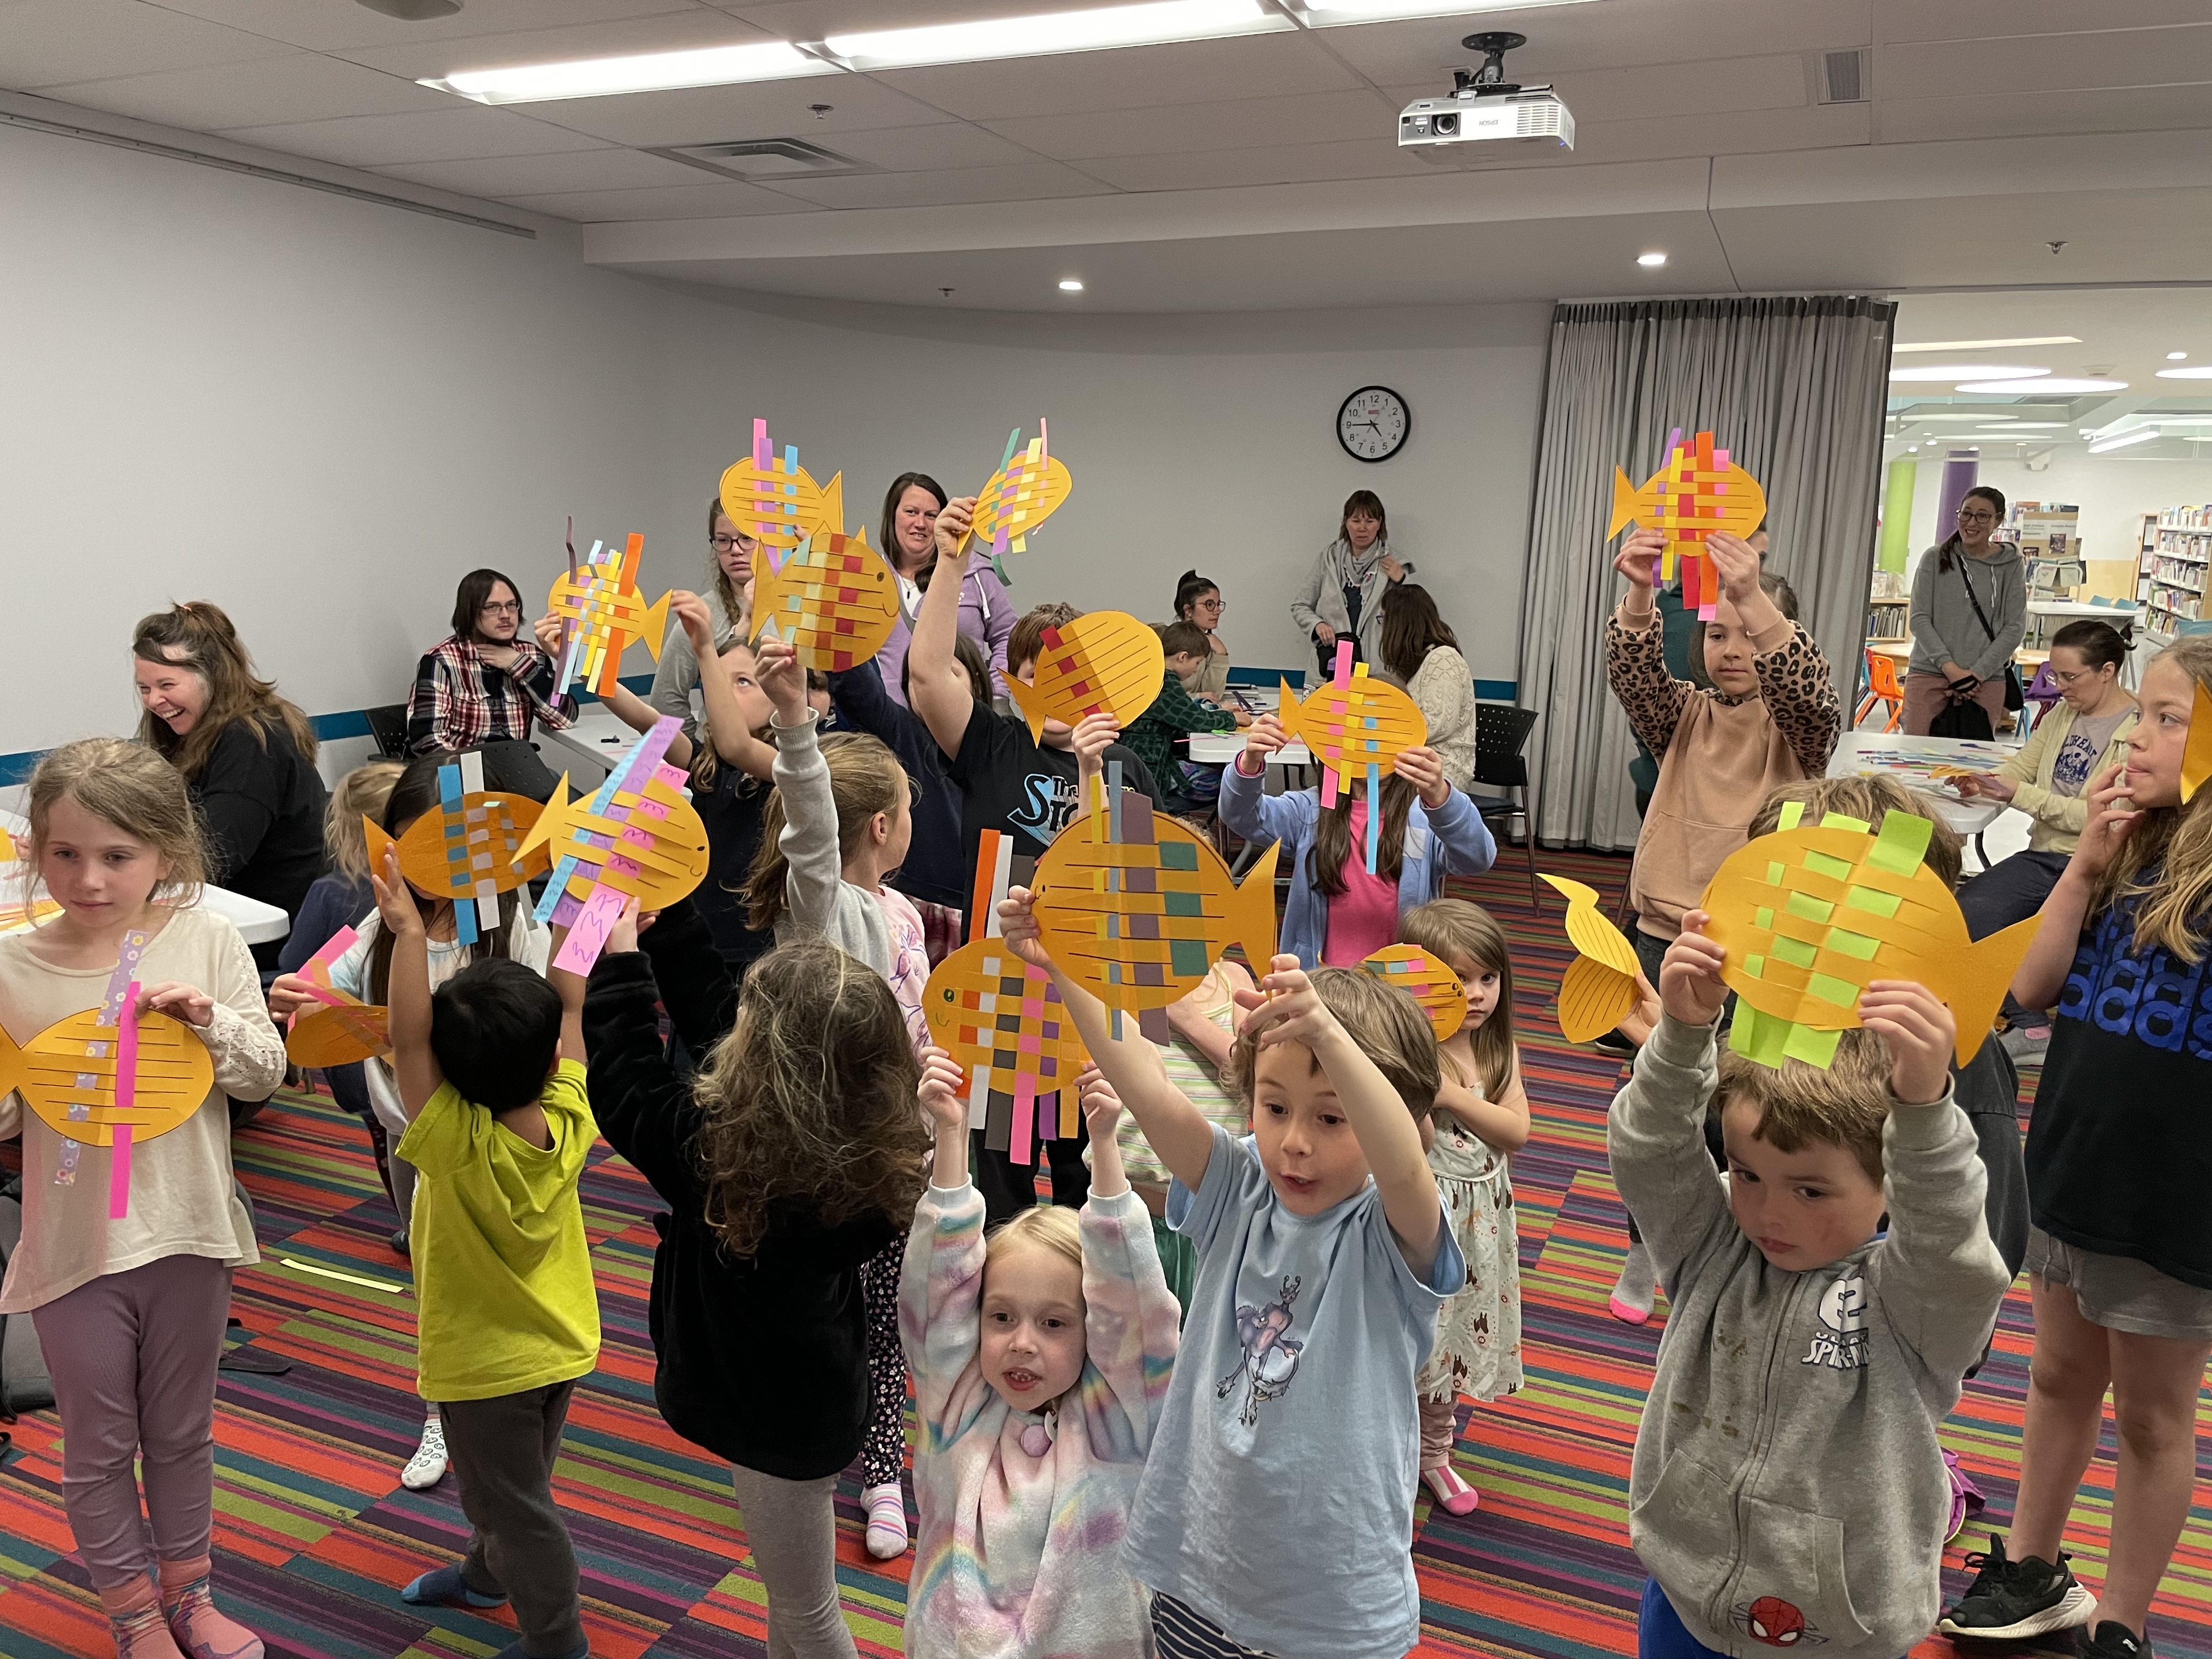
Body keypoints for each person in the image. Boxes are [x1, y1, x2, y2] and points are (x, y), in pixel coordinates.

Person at [1004, 871, 1461, 1659]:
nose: (1294, 1142)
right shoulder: (1240, 1187)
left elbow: (1407, 1165)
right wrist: (1065, 969)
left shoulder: (1392, 1231)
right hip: (1200, 1572)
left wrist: (1330, 1038)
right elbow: (1144, 1083)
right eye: (1274, 1106)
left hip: (1332, 1602)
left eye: (1331, 1118)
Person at [1611, 910, 2010, 1659]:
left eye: (1811, 1192)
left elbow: (1954, 1249)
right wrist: (1682, 1037)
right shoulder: (1714, 1248)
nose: (1767, 1212)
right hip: (1688, 1592)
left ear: (1892, 1184)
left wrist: (1923, 1117)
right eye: (1749, 1174)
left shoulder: (1914, 1301)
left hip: (1841, 1624)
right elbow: (1649, 1150)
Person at [1940, 638, 2212, 1659]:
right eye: (2141, 713)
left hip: (2176, 1193)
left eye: (2166, 717)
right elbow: (2036, 987)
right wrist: (2087, 862)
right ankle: (2032, 1567)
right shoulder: (2126, 843)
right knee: (2057, 1377)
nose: (2135, 735)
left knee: (2153, 1417)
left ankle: (2124, 1622)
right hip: (2074, 1159)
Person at [0, 738, 285, 1659]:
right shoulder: (11, 964)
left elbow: (264, 1076)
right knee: (96, 1440)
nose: (88, 879)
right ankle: (131, 1611)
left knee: (181, 1430)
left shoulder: (203, 939)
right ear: (35, 850)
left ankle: (188, 1592)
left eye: (118, 855)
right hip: (76, 1240)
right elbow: (8, 1110)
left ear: (168, 852)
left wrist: (211, 1021)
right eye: (66, 853)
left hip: (189, 1228)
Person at [582, 907, 925, 1659]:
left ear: (764, 1061)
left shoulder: (718, 1157)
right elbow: (712, 1017)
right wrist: (669, 920)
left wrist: (619, 963)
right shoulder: (871, 1148)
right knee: (788, 1593)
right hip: (815, 1398)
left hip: (769, 1420)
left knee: (807, 1610)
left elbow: (624, 1077)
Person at [269, 753, 552, 1492]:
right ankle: (441, 1410)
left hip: (493, 1147)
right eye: (406, 845)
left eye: (441, 848)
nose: (421, 868)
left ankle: (517, 1397)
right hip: (411, 1144)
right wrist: (302, 997)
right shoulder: (382, 921)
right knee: (435, 1283)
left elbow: (540, 1034)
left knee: (504, 1278)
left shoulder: (513, 923)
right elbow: (327, 978)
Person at [361, 844, 596, 1659]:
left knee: (517, 1507)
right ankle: (486, 1575)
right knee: (506, 1489)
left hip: (486, 1367)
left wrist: (405, 935)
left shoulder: (450, 1142)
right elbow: (570, 1009)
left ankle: (556, 1638)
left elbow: (405, 1035)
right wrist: (592, 910)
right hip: (560, 1345)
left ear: (455, 1075)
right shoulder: (568, 1111)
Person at [742, 639, 926, 1560]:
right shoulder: (822, 910)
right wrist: (796, 726)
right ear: (882, 825)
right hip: (823, 1152)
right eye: (905, 809)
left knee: (889, 1318)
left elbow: (922, 1025)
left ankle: (885, 1471)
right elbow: (811, 835)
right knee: (829, 1314)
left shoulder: (899, 912)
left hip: (898, 1152)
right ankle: (813, 1456)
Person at [901, 1058, 1180, 1658]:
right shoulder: (959, 1412)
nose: (1022, 1342)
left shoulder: (1116, 1427)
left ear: (1093, 1333)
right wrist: (951, 1135)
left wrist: (1104, 1146)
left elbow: (1131, 1306)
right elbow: (936, 1294)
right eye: (1001, 1318)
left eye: (1054, 1323)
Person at [561, 595, 778, 978]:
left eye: (742, 683)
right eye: (716, 682)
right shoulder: (710, 764)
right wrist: (586, 665)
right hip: (709, 933)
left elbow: (739, 746)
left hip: (762, 944)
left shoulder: (784, 769)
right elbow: (648, 721)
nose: (722, 696)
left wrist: (709, 647)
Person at [1951, 618, 2139, 1058]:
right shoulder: (2063, 714)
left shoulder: (2137, 732)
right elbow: (2025, 766)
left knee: (1986, 920)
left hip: (2090, 862)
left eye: (2070, 677)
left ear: (2108, 671)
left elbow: (2101, 819)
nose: (2059, 687)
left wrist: (2019, 794)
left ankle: (2029, 1025)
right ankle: (2027, 1022)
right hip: (2046, 855)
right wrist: (1987, 780)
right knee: (1966, 915)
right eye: (2054, 676)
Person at [1397, 899, 1527, 1519]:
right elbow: (1412, 1140)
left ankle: (1435, 1454)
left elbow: (1517, 1130)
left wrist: (1452, 1094)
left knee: (1454, 1344)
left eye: (1487, 978)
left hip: (1485, 1223)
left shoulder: (1496, 1051)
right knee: (1415, 1339)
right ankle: (1391, 1460)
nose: (1474, 995)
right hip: (1431, 1216)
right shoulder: (1413, 1052)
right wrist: (1425, 1089)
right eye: (1456, 980)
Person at [133, 602, 330, 971]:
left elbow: (208, 858)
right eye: (144, 687)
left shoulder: (251, 743)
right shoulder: (187, 730)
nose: (154, 701)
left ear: (213, 676)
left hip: (263, 941)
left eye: (166, 685)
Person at [1221, 712, 1494, 969]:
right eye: (1358, 734)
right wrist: (1249, 763)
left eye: (1381, 734)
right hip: (1320, 979)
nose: (1370, 747)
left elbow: (1476, 858)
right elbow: (1242, 816)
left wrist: (1442, 798)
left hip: (1399, 983)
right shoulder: (1309, 811)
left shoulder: (1423, 817)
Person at [1086, 950, 1255, 1315]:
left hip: (1210, 1218)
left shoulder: (1234, 978)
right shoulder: (1119, 972)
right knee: (1119, 1335)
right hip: (1129, 1204)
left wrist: (1186, 1016)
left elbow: (1250, 1075)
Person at [825, 633, 995, 967]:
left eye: (947, 674)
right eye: (915, 681)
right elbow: (858, 688)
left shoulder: (1000, 745)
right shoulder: (903, 732)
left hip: (985, 912)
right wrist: (837, 617)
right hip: (911, 903)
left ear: (976, 681)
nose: (929, 688)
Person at [278, 759, 404, 1163]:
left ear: (346, 834)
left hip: (356, 1048)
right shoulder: (438, 893)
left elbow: (297, 965)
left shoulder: (333, 893)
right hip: (424, 1043)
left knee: (389, 1140)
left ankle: (411, 1222)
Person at [404, 568, 575, 803]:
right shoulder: (442, 660)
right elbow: (427, 741)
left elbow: (563, 717)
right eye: (492, 607)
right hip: (462, 780)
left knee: (580, 812)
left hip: (519, 773)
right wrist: (473, 778)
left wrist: (519, 665)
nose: (505, 615)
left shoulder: (530, 656)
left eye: (511, 605)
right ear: (470, 613)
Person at [872, 472, 1015, 707]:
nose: (921, 523)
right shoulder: (868, 579)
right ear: (892, 515)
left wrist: (996, 694)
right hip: (895, 727)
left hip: (966, 721)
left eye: (931, 515)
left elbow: (1008, 635)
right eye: (911, 512)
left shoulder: (975, 572)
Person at [1905, 486, 2026, 738]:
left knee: (1973, 767)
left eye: (1982, 516)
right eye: (1966, 514)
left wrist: (1976, 674)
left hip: (1985, 682)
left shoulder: (2011, 564)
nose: (1972, 522)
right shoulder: (1935, 558)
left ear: (1998, 521)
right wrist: (1951, 670)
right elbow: (1919, 619)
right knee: (1916, 759)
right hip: (1929, 675)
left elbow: (2014, 627)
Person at [648, 496, 756, 729]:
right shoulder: (700, 615)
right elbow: (665, 701)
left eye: (747, 538)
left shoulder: (796, 607)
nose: (736, 550)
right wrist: (697, 753)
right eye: (723, 540)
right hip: (724, 759)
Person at [1121, 621, 1244, 811]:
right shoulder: (1166, 682)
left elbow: (1183, 711)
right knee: (1224, 784)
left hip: (1139, 760)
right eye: (1196, 663)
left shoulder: (1151, 674)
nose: (1196, 670)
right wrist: (1232, 720)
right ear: (1183, 657)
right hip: (1149, 766)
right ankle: (1163, 810)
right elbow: (1195, 720)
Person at [1288, 489, 1409, 676]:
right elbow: (1300, 605)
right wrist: (1317, 625)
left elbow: (1413, 615)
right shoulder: (1329, 558)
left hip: (1376, 662)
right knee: (1334, 707)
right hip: (1335, 658)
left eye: (1370, 521)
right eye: (1356, 521)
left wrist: (1401, 581)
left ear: (1380, 524)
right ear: (1346, 523)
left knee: (1367, 705)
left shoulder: (1395, 563)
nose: (1363, 528)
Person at [1378, 583, 1477, 793]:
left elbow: (1437, 725)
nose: (1383, 627)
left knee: (1362, 784)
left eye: (1384, 619)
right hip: (1416, 761)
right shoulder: (1417, 663)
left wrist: (1382, 730)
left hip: (1442, 769)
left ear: (1399, 623)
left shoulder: (1444, 659)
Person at [1173, 570, 1232, 703]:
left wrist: (1221, 656)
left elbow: (1213, 696)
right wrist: (1197, 697)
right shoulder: (1171, 642)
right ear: (1188, 610)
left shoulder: (1210, 644)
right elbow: (1165, 699)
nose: (1217, 611)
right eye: (1209, 605)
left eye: (1218, 605)